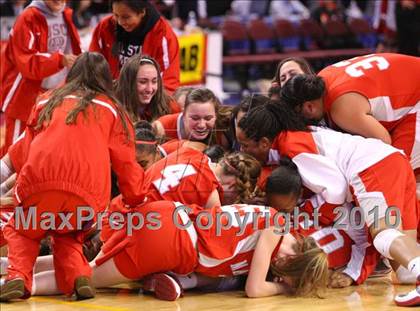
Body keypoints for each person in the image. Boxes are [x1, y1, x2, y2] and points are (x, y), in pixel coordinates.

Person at [238, 101, 420, 307]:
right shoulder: (294, 138)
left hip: (372, 167)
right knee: (405, 271)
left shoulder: (292, 144)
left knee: (383, 235)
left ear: (263, 142)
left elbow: (336, 191)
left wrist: (303, 211)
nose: (243, 151)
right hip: (392, 159)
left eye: (245, 145)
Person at [0, 52, 146, 302]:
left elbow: (26, 149)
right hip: (88, 192)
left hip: (40, 183)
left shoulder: (47, 101)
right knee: (69, 234)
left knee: (24, 230)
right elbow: (126, 163)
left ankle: (17, 277)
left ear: (72, 74)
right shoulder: (113, 110)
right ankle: (79, 278)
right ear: (106, 79)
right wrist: (136, 198)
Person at [28, 200, 329, 301]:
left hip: (166, 213)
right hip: (172, 240)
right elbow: (253, 289)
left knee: (83, 262)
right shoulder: (275, 233)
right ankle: (13, 285)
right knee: (81, 278)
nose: (284, 281)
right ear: (293, 262)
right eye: (293, 279)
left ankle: (11, 266)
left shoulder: (276, 219)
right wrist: (285, 292)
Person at [281, 54, 420, 195]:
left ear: (309, 107)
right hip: (411, 80)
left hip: (416, 97)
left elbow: (385, 143)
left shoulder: (341, 109)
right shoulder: (323, 76)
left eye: (299, 114)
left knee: (397, 170)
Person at [0, 0, 81, 157]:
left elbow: (73, 51)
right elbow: (27, 62)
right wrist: (60, 60)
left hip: (55, 95)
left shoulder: (66, 14)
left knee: (42, 153)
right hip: (24, 97)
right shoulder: (27, 17)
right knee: (14, 153)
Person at [89, 0, 180, 93]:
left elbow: (168, 84)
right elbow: (92, 66)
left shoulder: (162, 34)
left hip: (148, 99)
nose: (120, 22)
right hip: (111, 96)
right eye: (116, 15)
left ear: (142, 12)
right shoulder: (106, 27)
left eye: (126, 17)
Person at [115, 54, 180, 123]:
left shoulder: (170, 108)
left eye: (154, 81)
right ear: (128, 83)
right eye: (143, 82)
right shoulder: (113, 107)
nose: (149, 89)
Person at [152, 88, 224, 146]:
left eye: (208, 118)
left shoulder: (224, 126)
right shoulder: (163, 127)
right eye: (195, 118)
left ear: (216, 115)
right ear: (183, 114)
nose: (201, 125)